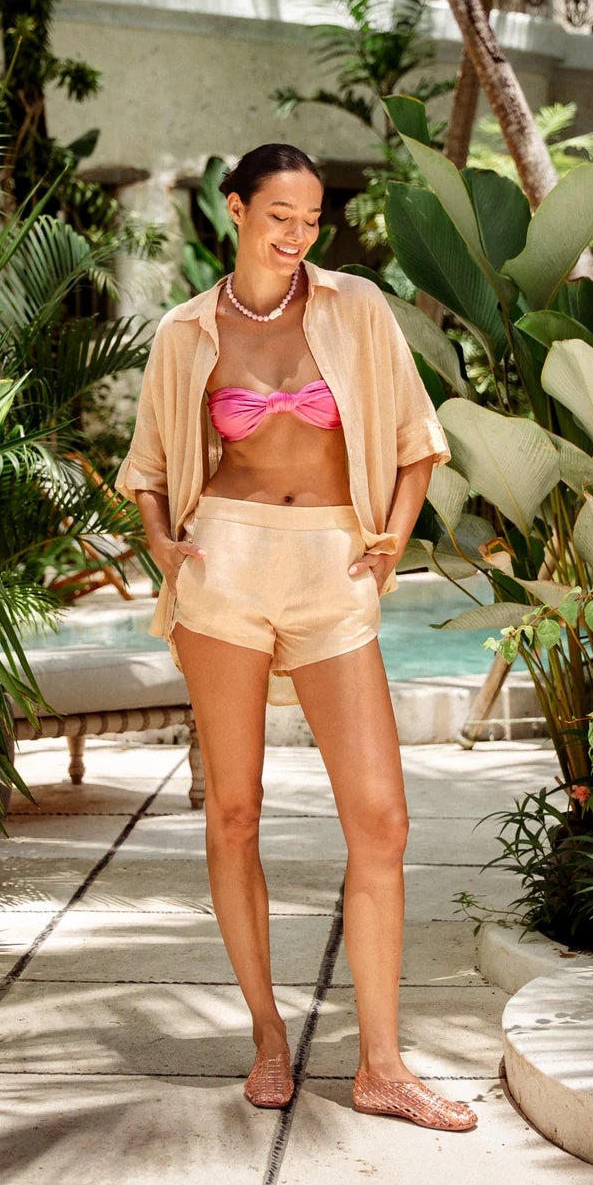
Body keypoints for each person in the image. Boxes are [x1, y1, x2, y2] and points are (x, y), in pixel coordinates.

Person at [115, 142, 478, 1132]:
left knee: (382, 820)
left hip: (330, 568)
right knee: (233, 811)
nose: (296, 232)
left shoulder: (356, 309)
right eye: (278, 212)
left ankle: (382, 1066)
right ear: (234, 208)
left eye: (312, 217)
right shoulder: (185, 333)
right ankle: (269, 1036)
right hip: (224, 568)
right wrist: (166, 548)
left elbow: (416, 442)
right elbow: (147, 469)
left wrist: (393, 538)